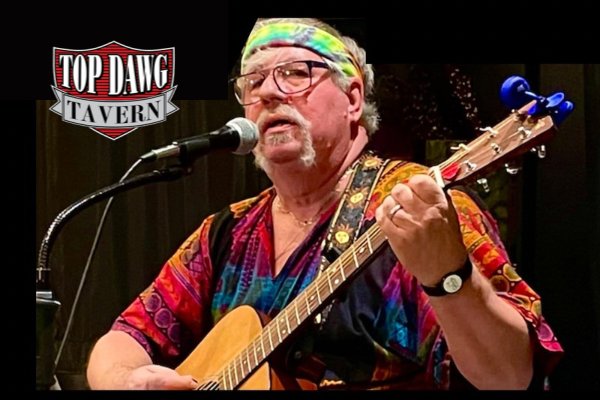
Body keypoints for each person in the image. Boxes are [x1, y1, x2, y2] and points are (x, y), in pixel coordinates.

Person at [86, 18, 563, 390]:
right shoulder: (226, 232)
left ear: (353, 99)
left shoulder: (419, 206)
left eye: (295, 73)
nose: (268, 92)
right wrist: (126, 380)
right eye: (253, 82)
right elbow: (124, 337)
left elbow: (509, 377)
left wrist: (449, 277)